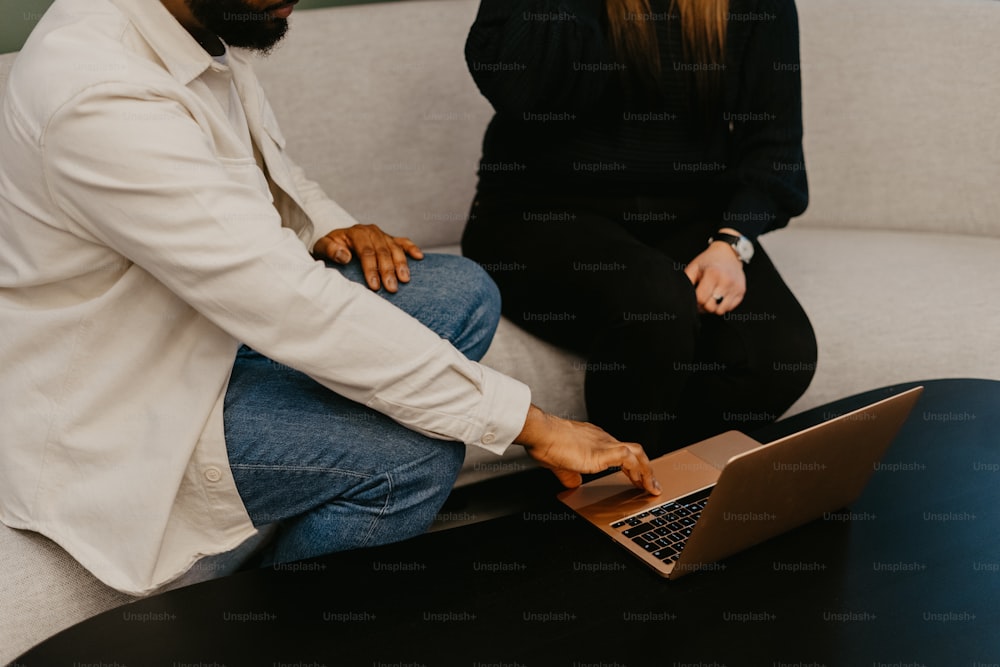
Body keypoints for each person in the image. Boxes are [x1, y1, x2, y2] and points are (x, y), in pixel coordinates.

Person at [0, 0, 660, 596]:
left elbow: (259, 178)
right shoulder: (100, 93)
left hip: (208, 332)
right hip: (126, 405)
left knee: (463, 294)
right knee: (419, 456)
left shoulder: (194, 25)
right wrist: (533, 425)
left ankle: (324, 481)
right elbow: (289, 303)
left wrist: (325, 225)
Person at [462, 0, 819, 456]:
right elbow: (524, 92)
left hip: (685, 211)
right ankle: (619, 499)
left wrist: (732, 240)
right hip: (536, 212)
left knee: (777, 353)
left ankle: (649, 490)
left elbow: (775, 146)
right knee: (656, 306)